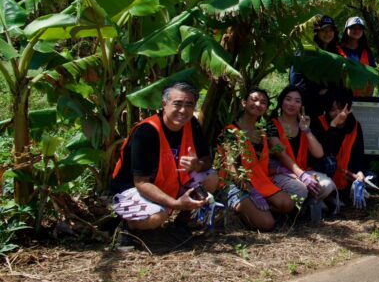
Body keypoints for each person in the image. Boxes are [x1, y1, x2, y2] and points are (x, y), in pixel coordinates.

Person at [111, 82, 218, 230]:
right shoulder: (146, 132)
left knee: (211, 177)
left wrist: (196, 165)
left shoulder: (191, 123)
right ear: (164, 104)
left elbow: (206, 160)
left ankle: (183, 222)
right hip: (133, 189)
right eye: (177, 104)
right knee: (157, 217)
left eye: (189, 105)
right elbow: (141, 183)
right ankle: (125, 225)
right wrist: (175, 204)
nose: (183, 110)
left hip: (170, 182)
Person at [217, 88, 295, 231]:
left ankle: (254, 209)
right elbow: (229, 166)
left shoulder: (262, 132)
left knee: (288, 204)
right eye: (254, 100)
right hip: (236, 182)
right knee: (267, 223)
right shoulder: (230, 131)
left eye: (263, 102)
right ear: (243, 103)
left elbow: (259, 164)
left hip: (259, 180)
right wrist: (249, 189)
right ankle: (238, 209)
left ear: (266, 108)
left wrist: (279, 169)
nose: (258, 104)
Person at [268, 86, 335, 206]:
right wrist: (302, 175)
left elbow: (318, 154)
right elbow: (281, 155)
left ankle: (305, 205)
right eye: (288, 99)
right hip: (279, 173)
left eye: (297, 101)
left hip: (302, 171)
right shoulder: (272, 124)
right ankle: (294, 206)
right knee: (300, 189)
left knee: (327, 185)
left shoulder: (303, 124)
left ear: (302, 106)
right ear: (282, 101)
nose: (292, 104)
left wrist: (306, 130)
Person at [315, 88, 368, 201]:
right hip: (325, 171)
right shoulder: (319, 123)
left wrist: (359, 172)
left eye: (341, 108)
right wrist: (333, 125)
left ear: (348, 108)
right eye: (333, 109)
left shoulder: (355, 126)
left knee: (368, 178)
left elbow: (359, 154)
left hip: (347, 174)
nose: (338, 113)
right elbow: (325, 151)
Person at [290, 14, 340, 117]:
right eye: (324, 30)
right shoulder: (304, 52)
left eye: (331, 30)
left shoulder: (336, 55)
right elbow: (296, 82)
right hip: (307, 107)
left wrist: (329, 92)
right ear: (316, 32)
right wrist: (317, 91)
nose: (328, 33)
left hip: (328, 107)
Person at [338, 16, 377, 97]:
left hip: (362, 98)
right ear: (346, 29)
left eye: (360, 28)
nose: (356, 31)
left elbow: (372, 76)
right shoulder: (337, 50)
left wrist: (369, 96)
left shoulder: (367, 52)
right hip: (341, 96)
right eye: (353, 28)